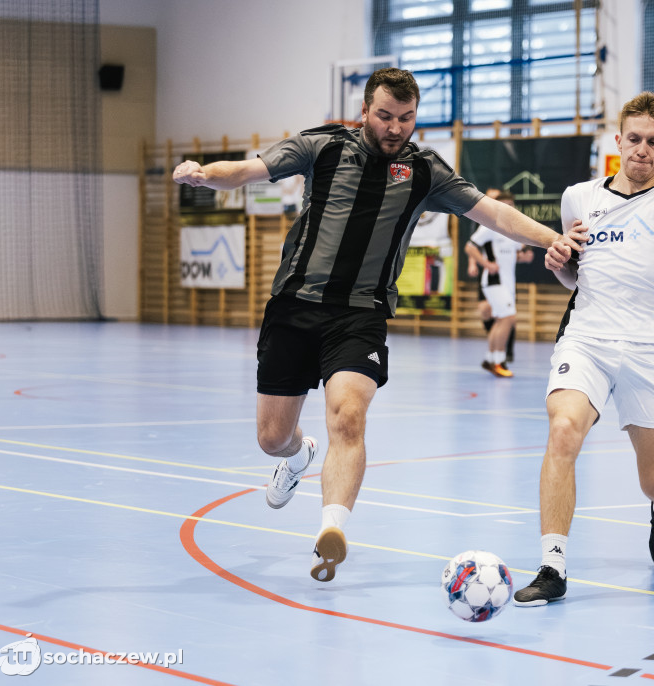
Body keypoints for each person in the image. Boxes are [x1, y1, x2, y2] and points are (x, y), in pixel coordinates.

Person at [172, 68, 580, 584]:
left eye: (406, 119)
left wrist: (553, 240)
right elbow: (250, 169)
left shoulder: (425, 170)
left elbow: (493, 215)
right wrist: (206, 174)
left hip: (361, 314)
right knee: (272, 438)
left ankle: (332, 529)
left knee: (348, 416)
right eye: (385, 116)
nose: (395, 128)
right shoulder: (321, 146)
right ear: (365, 110)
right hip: (295, 306)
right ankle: (298, 457)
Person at [512, 92, 654, 606]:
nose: (642, 149)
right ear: (618, 141)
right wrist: (559, 262)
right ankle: (553, 566)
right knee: (563, 429)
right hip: (587, 338)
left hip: (650, 348)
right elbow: (575, 274)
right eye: (634, 139)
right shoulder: (579, 196)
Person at [464, 189, 533, 377]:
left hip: (508, 283)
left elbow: (514, 255)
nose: (509, 209)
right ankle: (499, 361)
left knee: (501, 319)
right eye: (506, 205)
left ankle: (490, 359)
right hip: (494, 281)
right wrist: (486, 264)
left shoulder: (512, 231)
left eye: (512, 206)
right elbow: (470, 247)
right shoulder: (489, 226)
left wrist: (524, 257)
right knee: (509, 318)